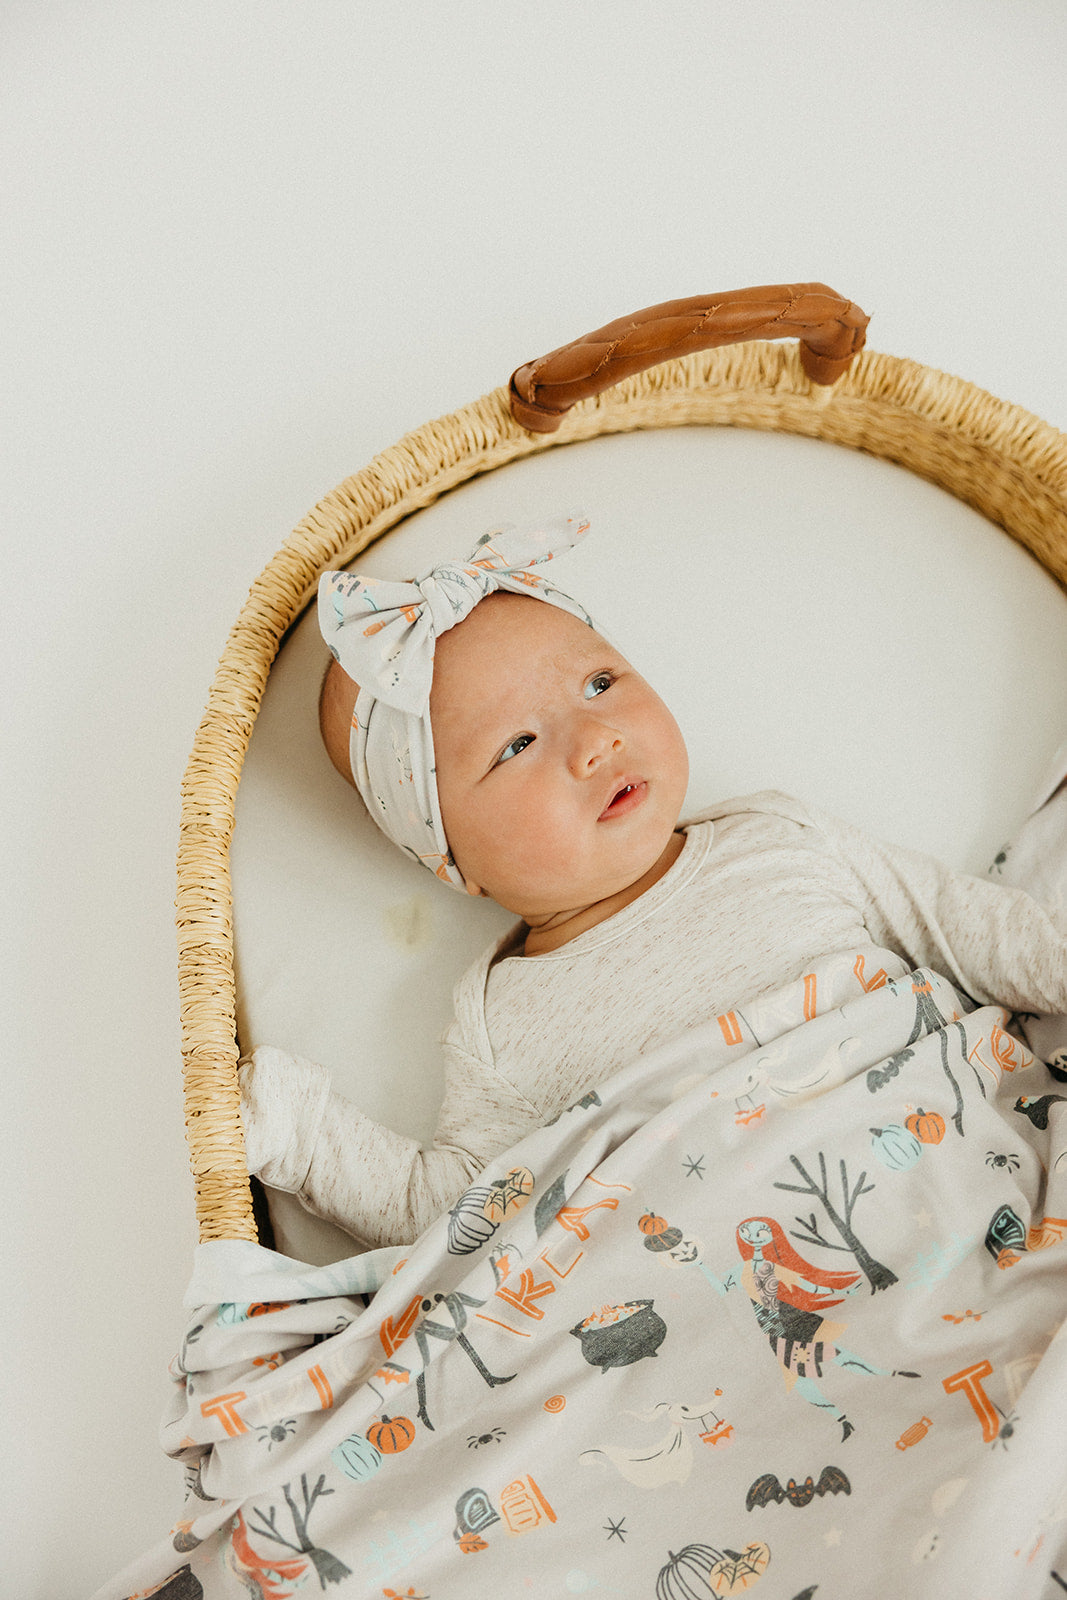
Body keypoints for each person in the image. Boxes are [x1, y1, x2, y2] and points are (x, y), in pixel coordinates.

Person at [239, 513, 1067, 1249]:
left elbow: (981, 933)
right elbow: (459, 1218)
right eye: (517, 745)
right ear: (454, 861)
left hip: (976, 1173)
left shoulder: (777, 837)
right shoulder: (504, 1018)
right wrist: (303, 1135)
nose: (592, 739)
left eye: (599, 684)